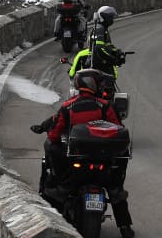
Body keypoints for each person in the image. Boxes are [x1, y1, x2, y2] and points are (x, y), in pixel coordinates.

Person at [30, 69, 134, 238]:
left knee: (51, 152)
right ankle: (125, 228)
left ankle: (52, 215)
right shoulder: (105, 105)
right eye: (99, 83)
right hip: (104, 162)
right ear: (92, 84)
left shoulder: (68, 106)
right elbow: (117, 127)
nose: (101, 86)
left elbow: (54, 135)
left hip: (77, 163)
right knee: (116, 192)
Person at [69, 5, 126, 79]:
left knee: (113, 77)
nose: (112, 19)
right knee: (111, 80)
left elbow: (107, 46)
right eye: (110, 17)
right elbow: (99, 48)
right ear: (105, 17)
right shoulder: (100, 29)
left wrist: (116, 52)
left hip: (96, 62)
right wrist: (113, 59)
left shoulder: (101, 28)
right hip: (100, 64)